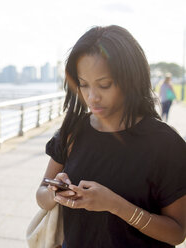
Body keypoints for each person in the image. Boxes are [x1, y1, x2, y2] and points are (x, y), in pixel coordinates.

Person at [36, 25, 186, 248]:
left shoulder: (165, 145)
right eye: (83, 85)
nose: (92, 97)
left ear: (131, 79)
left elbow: (177, 233)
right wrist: (56, 192)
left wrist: (115, 205)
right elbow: (41, 195)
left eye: (104, 85)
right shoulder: (73, 132)